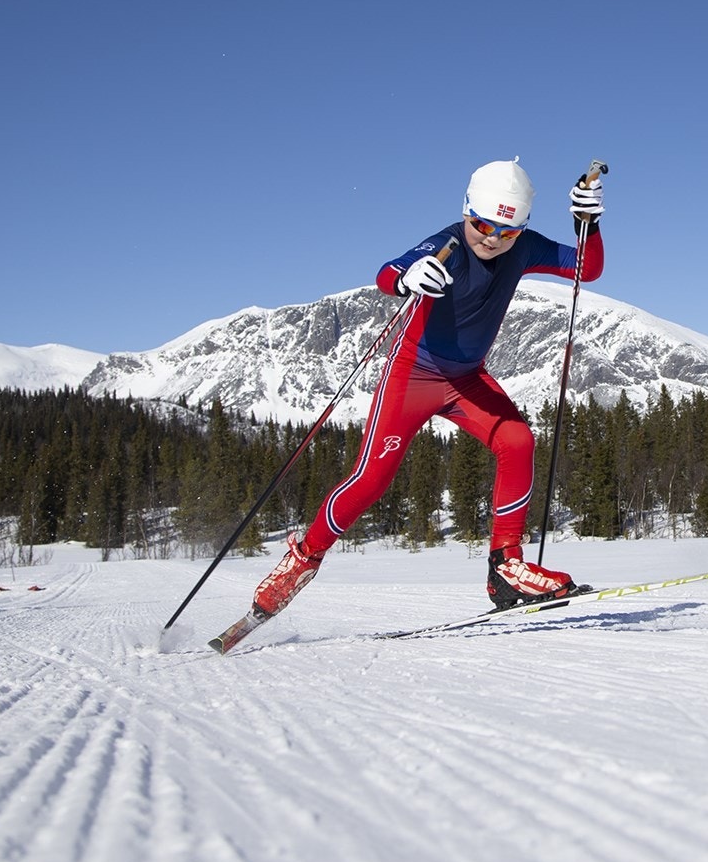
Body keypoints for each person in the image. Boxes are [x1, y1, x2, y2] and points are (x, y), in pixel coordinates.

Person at [249, 156, 605, 620]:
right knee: (370, 481)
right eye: (482, 224)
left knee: (517, 440)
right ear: (466, 210)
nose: (493, 239)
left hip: (466, 379)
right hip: (412, 378)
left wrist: (589, 225)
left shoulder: (524, 247)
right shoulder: (447, 245)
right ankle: (304, 556)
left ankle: (507, 566)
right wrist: (405, 278)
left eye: (508, 231)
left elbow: (586, 269)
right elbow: (388, 272)